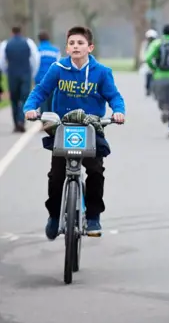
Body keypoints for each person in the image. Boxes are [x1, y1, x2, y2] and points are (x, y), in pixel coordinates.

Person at [24, 25, 125, 239]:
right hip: (64, 127)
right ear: (67, 48)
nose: (76, 46)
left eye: (80, 43)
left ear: (90, 47)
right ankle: (53, 216)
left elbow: (115, 97)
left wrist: (118, 112)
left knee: (96, 171)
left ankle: (93, 217)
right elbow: (41, 90)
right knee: (56, 175)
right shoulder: (58, 68)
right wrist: (30, 108)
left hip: (91, 127)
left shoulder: (102, 72)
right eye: (71, 43)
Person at [0, 26, 40, 132]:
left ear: (12, 33)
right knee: (24, 98)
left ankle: (16, 123)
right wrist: (32, 72)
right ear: (21, 32)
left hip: (12, 74)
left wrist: (6, 72)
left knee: (14, 99)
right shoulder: (29, 42)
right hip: (25, 73)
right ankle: (21, 121)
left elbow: (2, 61)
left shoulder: (5, 44)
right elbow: (35, 59)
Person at [35, 30, 61, 113]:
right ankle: (52, 119)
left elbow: (35, 64)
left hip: (41, 79)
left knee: (42, 100)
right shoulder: (55, 50)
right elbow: (59, 64)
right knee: (52, 100)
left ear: (39, 39)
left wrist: (34, 78)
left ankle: (44, 121)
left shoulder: (37, 50)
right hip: (53, 78)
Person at [139, 29, 158, 96]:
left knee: (154, 77)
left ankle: (153, 89)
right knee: (148, 77)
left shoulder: (156, 44)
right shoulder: (145, 44)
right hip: (147, 63)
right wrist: (143, 59)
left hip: (154, 63)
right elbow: (142, 53)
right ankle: (148, 89)